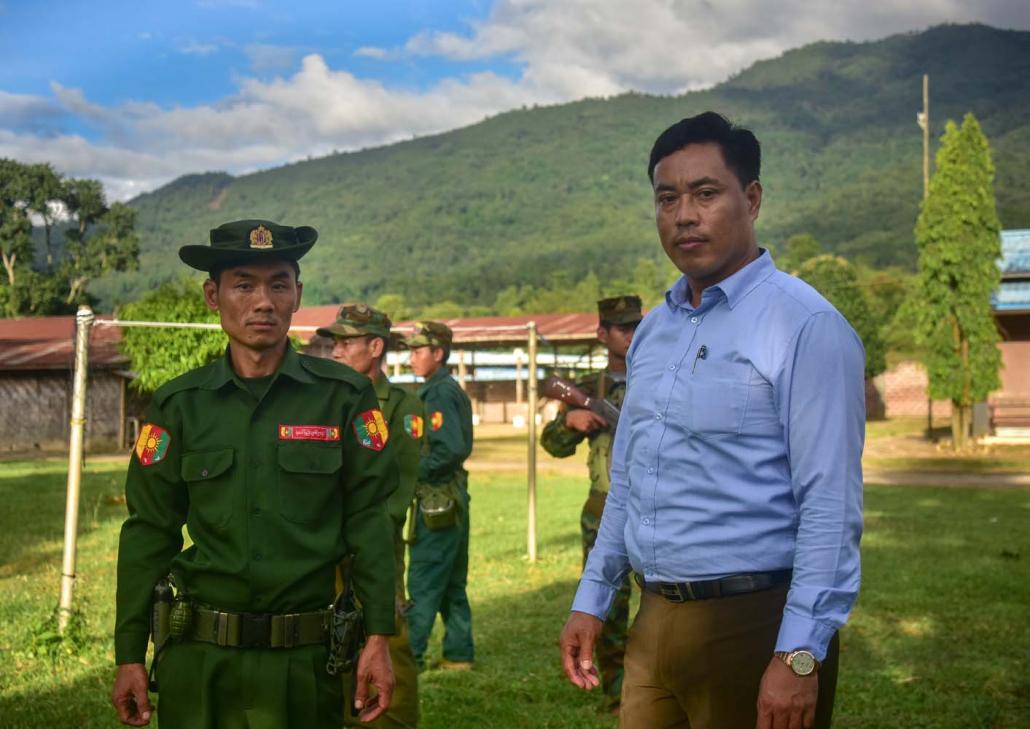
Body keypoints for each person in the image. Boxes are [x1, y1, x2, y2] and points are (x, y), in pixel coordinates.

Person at [559, 112, 865, 729]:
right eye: (666, 198)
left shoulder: (805, 325)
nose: (684, 215)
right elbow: (631, 482)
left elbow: (829, 505)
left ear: (751, 199)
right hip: (655, 619)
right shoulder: (654, 331)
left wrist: (799, 654)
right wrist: (593, 598)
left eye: (706, 193)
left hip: (754, 622)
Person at [111, 220, 398, 729]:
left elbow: (370, 522)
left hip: (307, 664)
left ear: (297, 295)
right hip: (200, 664)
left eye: (279, 284)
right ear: (212, 295)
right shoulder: (180, 405)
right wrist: (130, 654)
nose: (262, 301)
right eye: (243, 284)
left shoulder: (343, 397)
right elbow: (148, 532)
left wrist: (379, 635)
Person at [318, 303, 424, 728]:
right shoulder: (320, 401)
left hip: (373, 545)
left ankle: (390, 718)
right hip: (320, 548)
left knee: (385, 637)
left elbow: (396, 491)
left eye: (347, 342)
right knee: (326, 638)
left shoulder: (402, 407)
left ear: (376, 346)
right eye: (334, 343)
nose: (336, 351)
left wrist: (352, 532)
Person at [540, 294, 642, 713]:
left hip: (660, 509)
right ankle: (617, 691)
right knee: (608, 605)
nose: (632, 335)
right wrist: (570, 420)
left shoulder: (656, 379)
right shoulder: (590, 390)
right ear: (602, 334)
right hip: (603, 509)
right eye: (623, 328)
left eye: (637, 326)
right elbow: (552, 444)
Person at [404, 321, 475, 671]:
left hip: (437, 498)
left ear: (438, 353)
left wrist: (408, 470)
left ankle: (410, 656)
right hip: (452, 497)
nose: (412, 358)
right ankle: (459, 654)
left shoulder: (439, 393)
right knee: (450, 581)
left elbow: (449, 449)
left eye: (418, 351)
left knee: (424, 578)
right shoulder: (441, 389)